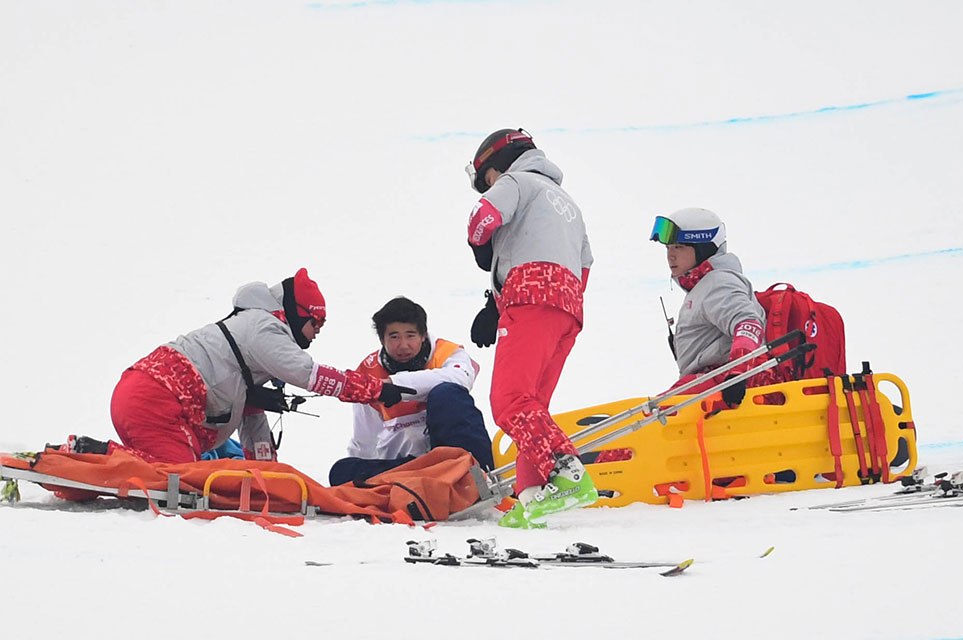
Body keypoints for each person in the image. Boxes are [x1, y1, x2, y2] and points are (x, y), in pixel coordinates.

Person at [99, 268, 414, 464]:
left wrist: (266, 473)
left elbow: (253, 423)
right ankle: (90, 455)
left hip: (142, 394)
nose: (318, 330)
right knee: (178, 481)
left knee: (174, 476)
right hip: (154, 400)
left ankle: (96, 457)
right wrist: (376, 390)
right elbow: (311, 375)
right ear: (298, 314)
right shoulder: (264, 328)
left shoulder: (250, 337)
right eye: (316, 322)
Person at [464, 128, 596, 528]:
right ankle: (533, 495)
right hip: (568, 306)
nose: (488, 186)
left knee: (510, 401)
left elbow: (482, 218)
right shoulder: (568, 205)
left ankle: (568, 473)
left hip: (531, 295)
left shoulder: (515, 181)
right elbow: (585, 265)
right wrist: (499, 303)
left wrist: (482, 250)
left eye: (484, 179)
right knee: (532, 408)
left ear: (496, 165)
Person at [327, 297, 494, 485]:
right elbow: (365, 439)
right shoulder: (368, 373)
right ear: (382, 339)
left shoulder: (447, 353)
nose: (403, 345)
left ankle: (482, 477)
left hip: (451, 454)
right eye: (394, 337)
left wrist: (393, 385)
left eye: (410, 335)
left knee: (447, 394)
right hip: (409, 464)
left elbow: (461, 378)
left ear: (423, 335)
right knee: (342, 471)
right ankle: (420, 482)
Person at [649, 208, 774, 404]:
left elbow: (748, 323)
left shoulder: (719, 283)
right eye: (668, 248)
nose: (670, 255)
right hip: (711, 385)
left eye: (679, 247)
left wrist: (738, 374)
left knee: (654, 416)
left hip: (723, 387)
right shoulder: (704, 286)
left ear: (703, 249)